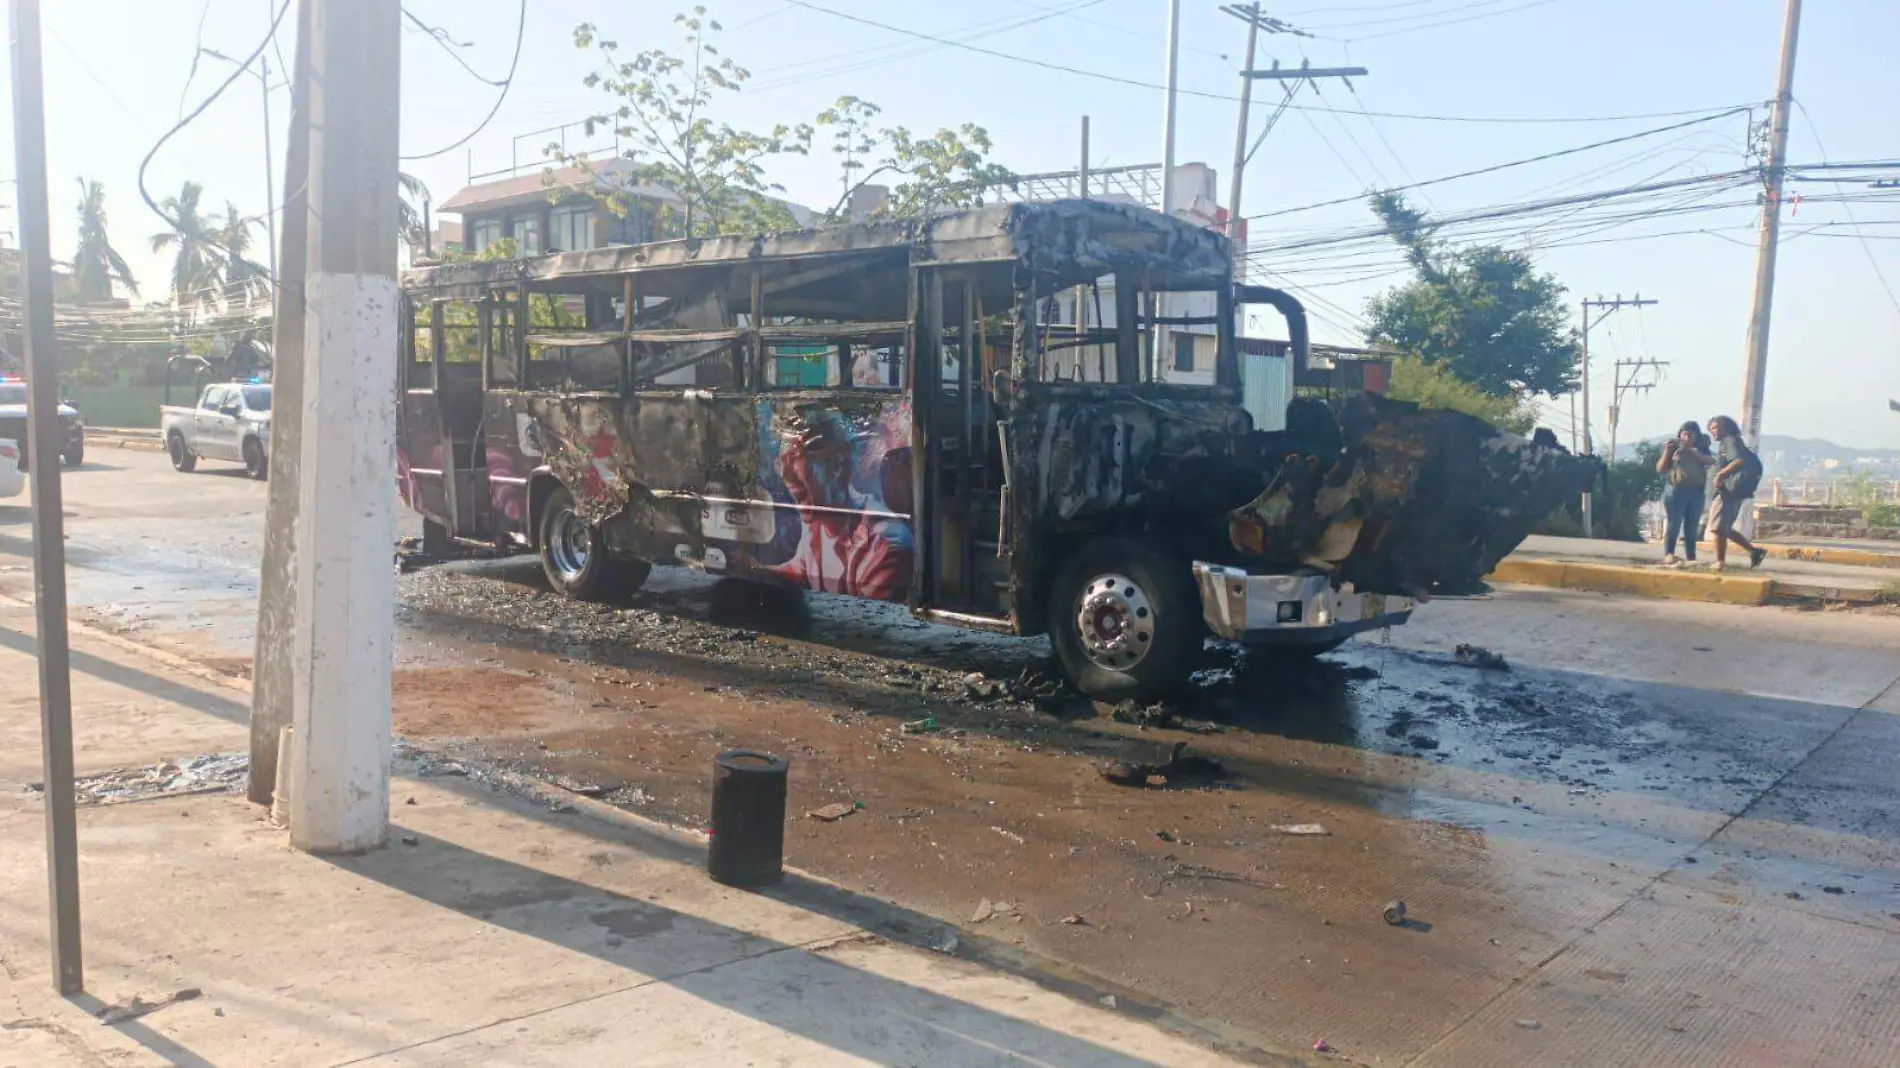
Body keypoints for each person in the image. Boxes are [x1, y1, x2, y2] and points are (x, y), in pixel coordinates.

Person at [1706, 414, 1767, 571]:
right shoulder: (1730, 442)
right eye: (1710, 429)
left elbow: (1739, 460)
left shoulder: (1730, 441)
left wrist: (1721, 474)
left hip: (1727, 491)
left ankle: (1720, 562)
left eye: (1715, 428)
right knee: (1723, 528)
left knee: (1718, 528)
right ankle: (1754, 551)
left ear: (1725, 427)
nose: (1712, 432)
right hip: (1733, 490)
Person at [1656, 420, 1712, 565]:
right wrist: (1668, 452)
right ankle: (1669, 555)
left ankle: (1691, 558)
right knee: (1674, 524)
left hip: (1696, 493)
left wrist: (1694, 452)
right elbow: (1661, 469)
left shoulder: (1702, 448)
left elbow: (1710, 461)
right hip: (1676, 491)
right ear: (1680, 435)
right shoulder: (1675, 449)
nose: (1687, 437)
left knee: (1691, 527)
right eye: (1684, 434)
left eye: (1691, 434)